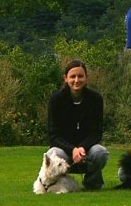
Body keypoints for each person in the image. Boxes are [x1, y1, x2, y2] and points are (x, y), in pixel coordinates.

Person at [46, 59, 109, 190]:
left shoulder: (96, 99)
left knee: (100, 152)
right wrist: (72, 150)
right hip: (65, 151)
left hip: (86, 151)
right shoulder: (56, 100)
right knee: (53, 153)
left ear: (86, 78)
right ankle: (57, 185)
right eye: (72, 76)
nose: (76, 80)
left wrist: (82, 148)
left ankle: (93, 184)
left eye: (80, 76)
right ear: (66, 78)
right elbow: (53, 135)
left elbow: (96, 132)